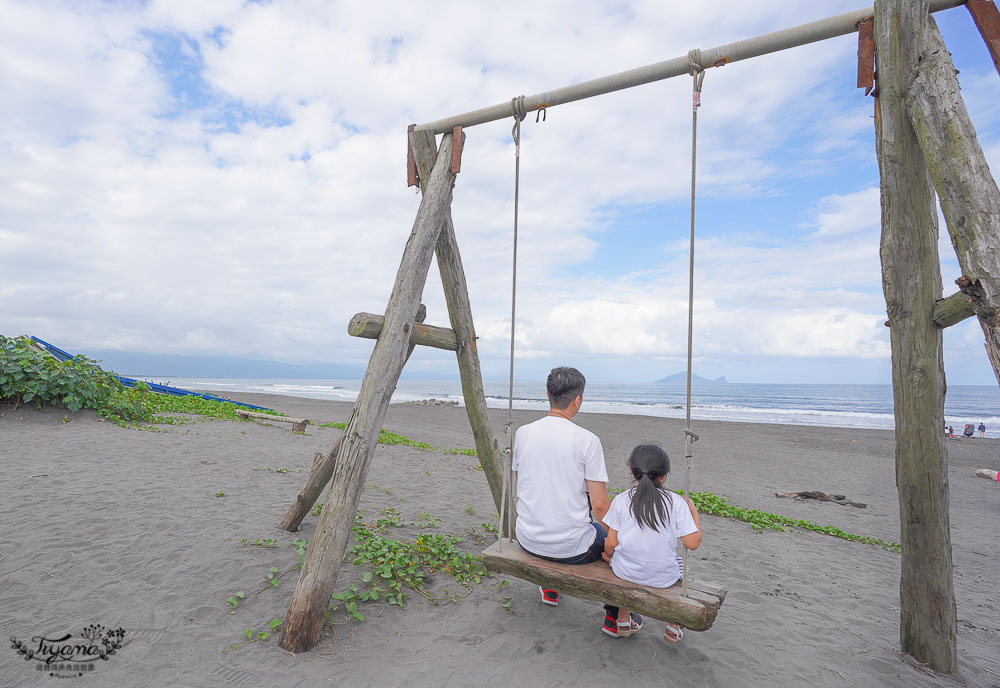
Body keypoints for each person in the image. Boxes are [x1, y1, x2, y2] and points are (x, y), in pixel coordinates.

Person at [512, 366, 611, 608]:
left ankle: (550, 589)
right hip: (572, 548)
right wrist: (617, 536)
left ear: (547, 394)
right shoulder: (587, 440)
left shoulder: (523, 433)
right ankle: (614, 616)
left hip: (527, 538)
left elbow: (521, 482)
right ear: (577, 401)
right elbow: (599, 505)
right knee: (612, 540)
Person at [602, 444, 701, 643]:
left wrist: (608, 554)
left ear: (631, 469)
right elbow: (693, 543)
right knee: (682, 566)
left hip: (626, 571)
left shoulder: (621, 500)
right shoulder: (675, 502)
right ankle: (673, 625)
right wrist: (693, 512)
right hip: (662, 577)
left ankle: (622, 618)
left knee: (622, 558)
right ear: (663, 476)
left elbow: (611, 542)